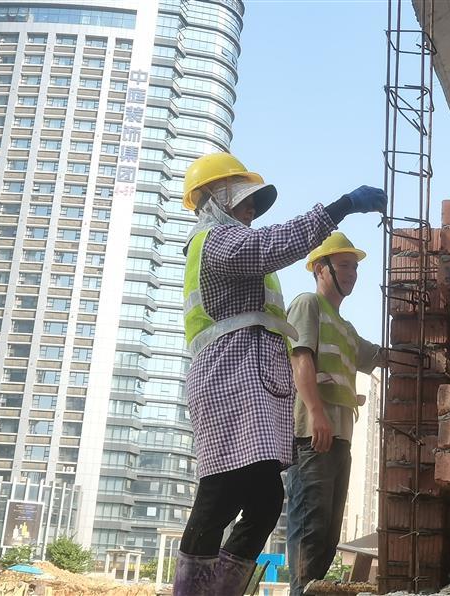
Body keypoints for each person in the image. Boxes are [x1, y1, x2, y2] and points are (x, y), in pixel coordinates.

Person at [174, 153, 386, 596]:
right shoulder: (216, 242)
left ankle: (221, 590)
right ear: (212, 199)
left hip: (252, 381)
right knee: (219, 494)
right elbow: (274, 244)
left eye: (253, 202)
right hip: (227, 376)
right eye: (242, 199)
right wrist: (340, 206)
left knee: (266, 499)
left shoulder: (235, 246)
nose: (250, 209)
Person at [285, 232, 387, 596]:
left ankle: (310, 590)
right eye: (344, 265)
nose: (352, 273)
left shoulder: (345, 327)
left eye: (355, 267)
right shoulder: (307, 304)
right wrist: (317, 414)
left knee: (328, 532)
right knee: (310, 525)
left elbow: (377, 356)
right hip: (314, 434)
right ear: (320, 269)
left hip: (339, 437)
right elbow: (301, 359)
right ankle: (300, 591)